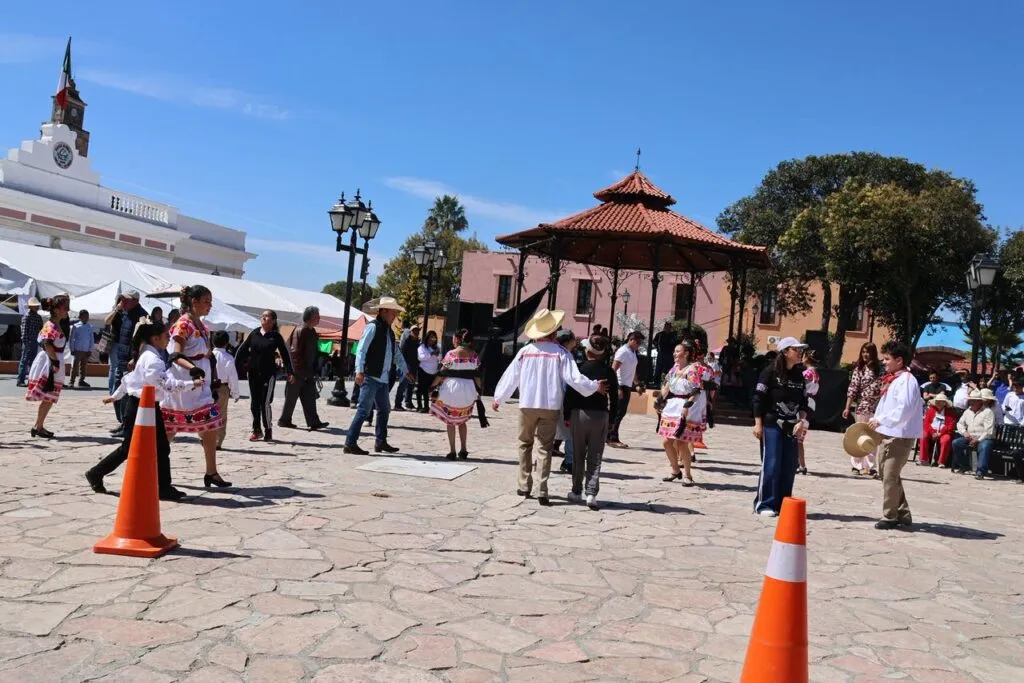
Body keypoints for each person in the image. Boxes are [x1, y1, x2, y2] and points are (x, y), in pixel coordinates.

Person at [492, 308, 607, 506]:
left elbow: (511, 376)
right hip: (550, 405)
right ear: (554, 332)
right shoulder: (561, 353)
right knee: (545, 447)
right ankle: (542, 489)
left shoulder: (525, 352)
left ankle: (524, 484)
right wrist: (594, 386)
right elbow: (574, 378)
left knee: (524, 444)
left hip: (527, 404)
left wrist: (499, 397)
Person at [87, 318, 198, 500]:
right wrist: (190, 384)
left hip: (143, 406)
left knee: (158, 447)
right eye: (165, 337)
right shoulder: (153, 359)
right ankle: (96, 473)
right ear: (155, 339)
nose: (167, 340)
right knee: (134, 447)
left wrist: (115, 396)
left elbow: (131, 379)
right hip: (142, 407)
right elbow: (163, 384)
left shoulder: (145, 355)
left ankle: (163, 486)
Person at [163, 285, 230, 489]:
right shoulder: (183, 324)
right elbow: (176, 354)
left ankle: (211, 472)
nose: (210, 305)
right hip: (184, 385)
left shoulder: (200, 324)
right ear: (194, 301)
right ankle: (155, 469)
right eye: (206, 301)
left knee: (210, 427)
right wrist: (193, 369)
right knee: (169, 431)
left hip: (201, 385)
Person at [344, 297, 414, 455]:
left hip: (382, 379)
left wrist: (405, 370)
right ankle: (350, 442)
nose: (395, 315)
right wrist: (359, 370)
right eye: (393, 312)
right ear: (383, 311)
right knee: (363, 410)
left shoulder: (388, 331)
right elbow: (361, 349)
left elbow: (395, 353)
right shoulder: (372, 327)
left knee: (384, 409)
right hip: (370, 376)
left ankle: (380, 441)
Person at [752, 337, 811, 517]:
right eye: (796, 349)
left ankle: (783, 502)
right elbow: (758, 399)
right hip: (771, 425)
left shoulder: (799, 374)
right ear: (785, 352)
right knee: (772, 463)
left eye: (801, 349)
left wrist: (802, 421)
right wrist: (758, 424)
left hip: (791, 426)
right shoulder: (769, 372)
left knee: (789, 465)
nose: (800, 352)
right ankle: (764, 504)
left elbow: (803, 402)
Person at [868, 341, 923, 529]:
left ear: (899, 360)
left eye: (887, 359)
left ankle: (890, 516)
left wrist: (881, 420)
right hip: (888, 432)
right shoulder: (895, 379)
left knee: (890, 475)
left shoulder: (907, 380)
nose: (884, 362)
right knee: (886, 474)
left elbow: (905, 408)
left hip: (899, 434)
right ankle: (903, 512)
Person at [564, 335, 618, 510]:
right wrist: (612, 420)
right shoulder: (608, 371)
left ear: (587, 351)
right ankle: (591, 493)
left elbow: (570, 394)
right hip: (601, 415)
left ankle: (576, 490)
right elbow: (615, 399)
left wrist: (566, 415)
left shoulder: (578, 369)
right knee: (595, 456)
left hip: (579, 414)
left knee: (578, 455)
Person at [234, 310, 295, 442]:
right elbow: (242, 350)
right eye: (262, 315)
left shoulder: (276, 336)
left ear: (273, 321)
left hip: (268, 374)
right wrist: (234, 366)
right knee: (254, 403)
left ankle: (268, 429)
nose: (263, 317)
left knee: (265, 403)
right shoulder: (254, 333)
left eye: (266, 316)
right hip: (253, 373)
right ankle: (256, 430)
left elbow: (285, 354)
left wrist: (290, 371)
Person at [658, 341, 707, 487]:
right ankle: (675, 470)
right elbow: (667, 386)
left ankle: (688, 475)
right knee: (666, 442)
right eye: (674, 351)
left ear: (685, 353)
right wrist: (659, 401)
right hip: (672, 407)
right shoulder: (674, 369)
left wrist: (687, 406)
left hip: (686, 407)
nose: (674, 353)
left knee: (681, 442)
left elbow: (696, 390)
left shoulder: (691, 370)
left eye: (678, 351)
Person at [430, 328, 484, 460]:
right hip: (468, 390)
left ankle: (452, 451)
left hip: (452, 389)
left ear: (458, 339)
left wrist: (433, 386)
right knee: (462, 421)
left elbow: (442, 372)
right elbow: (477, 376)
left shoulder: (451, 354)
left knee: (450, 421)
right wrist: (479, 390)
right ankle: (464, 449)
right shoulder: (474, 355)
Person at [25, 294, 71, 438]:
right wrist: (55, 362)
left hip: (52, 360)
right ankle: (38, 426)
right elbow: (47, 343)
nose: (67, 311)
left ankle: (39, 426)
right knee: (48, 396)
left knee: (49, 397)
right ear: (56, 310)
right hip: (50, 363)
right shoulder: (50, 325)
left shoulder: (56, 324)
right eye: (65, 308)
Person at [105, 291, 149, 437]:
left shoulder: (142, 315)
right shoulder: (124, 313)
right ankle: (123, 422)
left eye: (126, 299)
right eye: (122, 299)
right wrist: (118, 308)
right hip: (121, 359)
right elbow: (107, 321)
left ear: (135, 300)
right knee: (117, 391)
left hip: (132, 361)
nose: (123, 301)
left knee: (128, 394)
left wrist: (135, 358)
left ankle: (127, 425)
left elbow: (144, 340)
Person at [279, 306, 329, 431]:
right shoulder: (300, 330)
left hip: (308, 372)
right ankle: (284, 420)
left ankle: (314, 422)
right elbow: (295, 353)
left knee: (310, 397)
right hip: (298, 372)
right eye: (317, 316)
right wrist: (298, 371)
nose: (319, 318)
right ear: (311, 317)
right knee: (291, 397)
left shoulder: (312, 332)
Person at [843, 342, 882, 476]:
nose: (865, 354)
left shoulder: (880, 369)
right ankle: (856, 464)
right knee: (860, 435)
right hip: (863, 405)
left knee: (873, 437)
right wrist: (847, 407)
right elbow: (853, 388)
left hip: (877, 407)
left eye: (868, 352)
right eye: (864, 351)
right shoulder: (859, 370)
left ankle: (871, 466)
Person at [607, 331, 645, 448]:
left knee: (620, 412)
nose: (639, 345)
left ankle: (608, 435)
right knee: (618, 412)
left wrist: (637, 384)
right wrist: (616, 387)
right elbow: (613, 370)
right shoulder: (623, 351)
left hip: (627, 385)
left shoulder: (632, 352)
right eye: (638, 342)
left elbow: (633, 370)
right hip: (621, 385)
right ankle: (612, 438)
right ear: (631, 339)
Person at [952, 390, 995, 477]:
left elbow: (989, 431)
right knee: (956, 443)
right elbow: (960, 424)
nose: (971, 402)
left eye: (974, 400)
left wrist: (978, 440)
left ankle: (980, 471)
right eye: (971, 400)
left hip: (984, 438)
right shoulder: (967, 411)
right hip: (970, 437)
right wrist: (964, 433)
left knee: (984, 446)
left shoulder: (988, 412)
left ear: (980, 402)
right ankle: (964, 466)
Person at [212, 331, 240, 450]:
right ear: (227, 343)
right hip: (222, 388)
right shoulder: (228, 357)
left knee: (207, 413)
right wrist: (235, 393)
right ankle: (218, 441)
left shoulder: (208, 355)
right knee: (221, 415)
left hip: (208, 387)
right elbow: (233, 376)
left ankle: (205, 437)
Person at [795, 349, 820, 475]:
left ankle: (799, 464)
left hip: (804, 403)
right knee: (800, 437)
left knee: (797, 435)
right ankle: (800, 463)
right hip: (811, 403)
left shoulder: (806, 373)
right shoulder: (815, 373)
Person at [920, 393, 956, 468]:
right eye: (937, 401)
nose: (938, 403)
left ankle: (941, 462)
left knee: (946, 439)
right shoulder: (930, 410)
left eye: (941, 401)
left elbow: (950, 426)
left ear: (944, 403)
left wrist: (940, 433)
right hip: (931, 431)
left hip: (944, 432)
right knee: (923, 436)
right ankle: (924, 459)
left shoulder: (950, 412)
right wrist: (933, 432)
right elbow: (926, 423)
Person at [16, 297, 43, 387]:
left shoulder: (37, 317)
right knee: (25, 361)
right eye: (35, 306)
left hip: (33, 341)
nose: (36, 307)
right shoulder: (27, 317)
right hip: (29, 342)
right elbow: (24, 332)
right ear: (30, 307)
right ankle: (21, 380)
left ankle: (31, 380)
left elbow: (41, 330)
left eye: (36, 306)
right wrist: (26, 343)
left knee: (31, 361)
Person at [396, 323, 421, 411]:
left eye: (417, 330)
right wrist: (404, 367)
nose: (416, 332)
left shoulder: (418, 342)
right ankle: (397, 404)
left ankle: (408, 402)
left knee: (411, 385)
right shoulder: (407, 341)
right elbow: (401, 354)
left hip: (414, 366)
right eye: (414, 330)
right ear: (410, 332)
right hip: (406, 366)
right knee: (403, 384)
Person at [416, 330, 441, 413]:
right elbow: (421, 358)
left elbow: (440, 359)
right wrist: (431, 354)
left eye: (434, 337)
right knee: (421, 389)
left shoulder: (438, 347)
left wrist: (437, 355)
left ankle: (429, 407)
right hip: (423, 370)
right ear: (427, 338)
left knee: (430, 390)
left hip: (433, 372)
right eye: (431, 337)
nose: (432, 339)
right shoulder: (422, 347)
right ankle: (420, 406)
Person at [69, 309, 95, 388]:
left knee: (84, 367)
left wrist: (90, 350)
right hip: (77, 350)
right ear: (80, 317)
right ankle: (71, 381)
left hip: (86, 350)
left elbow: (91, 339)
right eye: (84, 316)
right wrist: (72, 349)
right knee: (75, 366)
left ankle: (81, 380)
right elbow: (72, 339)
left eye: (87, 316)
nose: (86, 318)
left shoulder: (90, 327)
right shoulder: (76, 326)